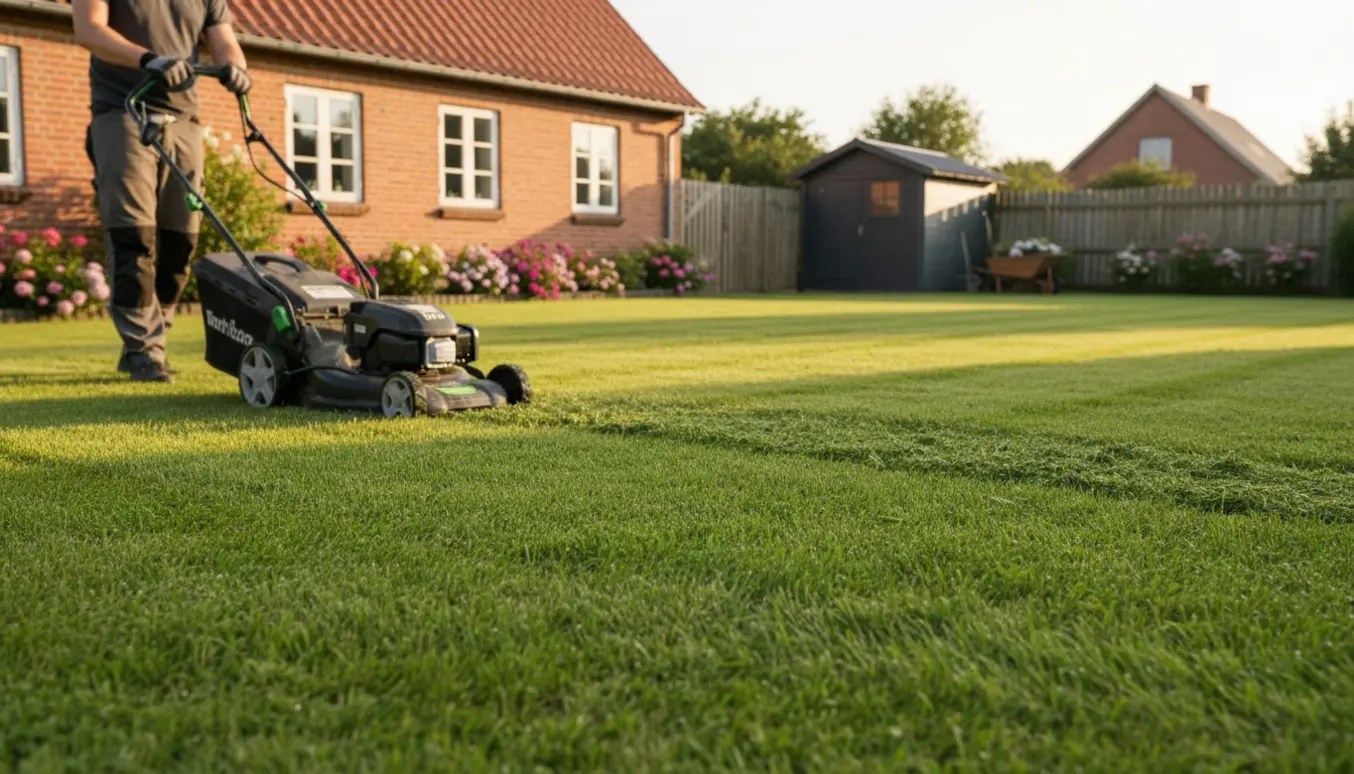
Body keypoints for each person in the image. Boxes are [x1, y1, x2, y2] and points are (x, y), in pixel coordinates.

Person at [73, 0, 252, 383]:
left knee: (180, 240)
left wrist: (235, 67)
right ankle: (143, 348)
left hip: (184, 118)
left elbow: (225, 43)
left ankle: (153, 339)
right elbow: (89, 31)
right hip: (123, 113)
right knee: (133, 235)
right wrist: (148, 59)